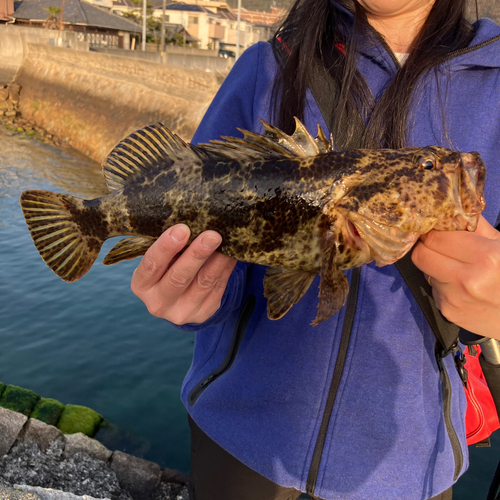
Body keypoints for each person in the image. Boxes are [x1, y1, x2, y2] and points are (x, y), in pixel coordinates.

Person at [131, 0, 500, 499]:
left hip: (407, 469)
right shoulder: (267, 65)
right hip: (241, 440)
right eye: (432, 167)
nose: (451, 170)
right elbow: (202, 221)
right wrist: (192, 297)